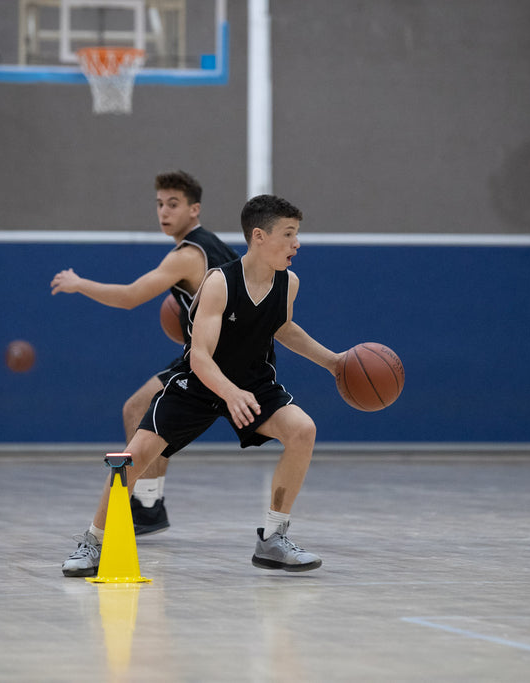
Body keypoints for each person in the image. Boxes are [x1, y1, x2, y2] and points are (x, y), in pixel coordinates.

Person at [61, 194, 343, 577]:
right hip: (199, 383)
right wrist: (228, 392)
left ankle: (274, 539)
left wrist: (334, 362)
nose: (298, 243)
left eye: (298, 234)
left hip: (254, 383)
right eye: (289, 234)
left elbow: (282, 327)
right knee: (136, 455)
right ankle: (93, 542)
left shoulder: (288, 283)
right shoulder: (219, 282)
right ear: (259, 236)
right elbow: (200, 356)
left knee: (302, 430)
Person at [50, 170, 239, 536]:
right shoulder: (219, 247)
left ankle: (149, 506)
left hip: (214, 359)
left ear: (194, 210)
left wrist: (79, 284)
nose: (164, 213)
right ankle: (150, 505)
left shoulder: (186, 256)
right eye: (159, 204)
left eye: (173, 204)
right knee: (146, 412)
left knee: (140, 410)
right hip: (230, 354)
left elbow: (129, 297)